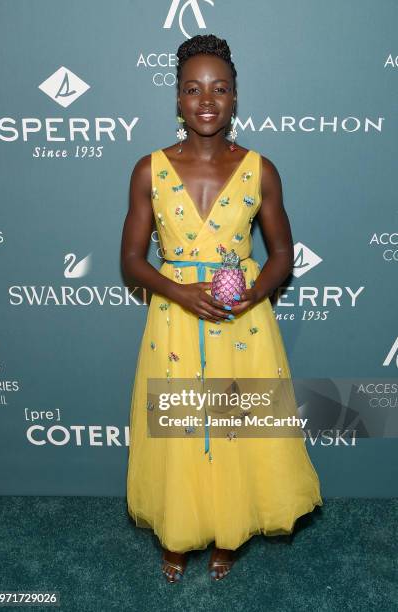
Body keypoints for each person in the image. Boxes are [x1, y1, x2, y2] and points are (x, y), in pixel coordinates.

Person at [122, 34, 323, 583]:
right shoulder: (149, 170)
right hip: (175, 320)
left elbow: (282, 254)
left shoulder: (261, 169)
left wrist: (255, 293)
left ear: (235, 98)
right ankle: (179, 534)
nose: (206, 100)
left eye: (219, 89)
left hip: (243, 323)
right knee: (181, 429)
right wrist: (181, 291)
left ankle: (228, 534)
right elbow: (132, 262)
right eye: (193, 89)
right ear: (177, 99)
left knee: (235, 431)